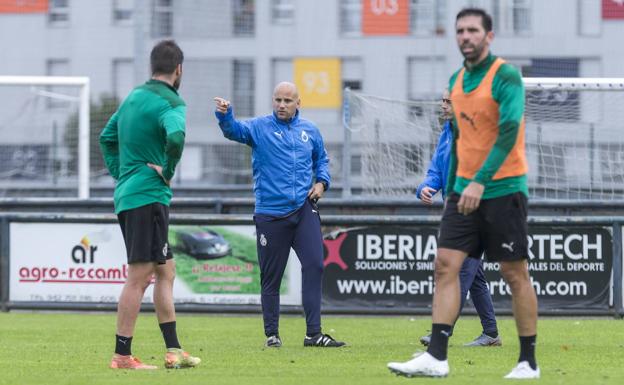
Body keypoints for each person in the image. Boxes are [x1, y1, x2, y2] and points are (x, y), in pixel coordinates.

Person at [388, 8, 539, 379]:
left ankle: (527, 361)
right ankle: (436, 357)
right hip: (463, 193)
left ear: (489, 36)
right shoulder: (456, 80)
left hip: (503, 189)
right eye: (460, 30)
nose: (465, 36)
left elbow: (507, 134)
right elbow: (456, 143)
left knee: (514, 272)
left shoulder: (505, 75)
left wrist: (479, 182)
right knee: (445, 267)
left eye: (473, 30)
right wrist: (453, 189)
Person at [213, 82, 346, 348]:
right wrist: (225, 115)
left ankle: (314, 334)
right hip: (271, 214)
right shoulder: (259, 128)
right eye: (277, 100)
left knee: (315, 265)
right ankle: (272, 334)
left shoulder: (310, 130)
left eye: (287, 100)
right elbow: (233, 131)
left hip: (303, 209)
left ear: (299, 103)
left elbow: (321, 159)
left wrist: (321, 183)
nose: (282, 105)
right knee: (271, 276)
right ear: (272, 101)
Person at [100, 40, 201, 370]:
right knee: (140, 277)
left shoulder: (132, 98)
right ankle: (122, 355)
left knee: (165, 270)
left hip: (130, 194)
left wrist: (122, 174)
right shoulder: (172, 102)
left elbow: (106, 137)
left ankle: (174, 350)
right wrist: (168, 171)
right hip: (148, 197)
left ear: (151, 67)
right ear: (178, 69)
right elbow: (175, 137)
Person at [416, 90, 501, 348]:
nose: (442, 105)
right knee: (474, 277)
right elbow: (435, 171)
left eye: (447, 101)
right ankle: (491, 333)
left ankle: (442, 331)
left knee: (459, 272)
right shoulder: (446, 133)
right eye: (441, 100)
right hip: (456, 214)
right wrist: (425, 187)